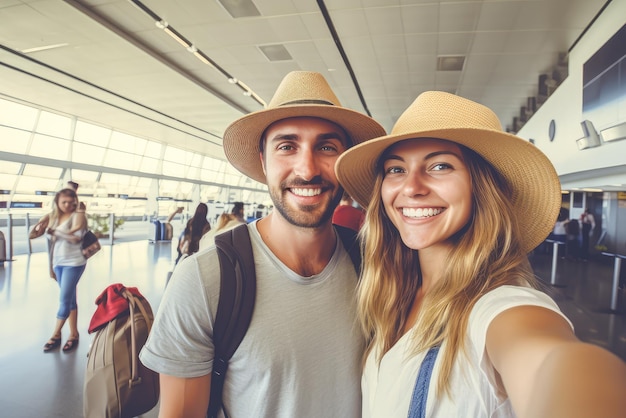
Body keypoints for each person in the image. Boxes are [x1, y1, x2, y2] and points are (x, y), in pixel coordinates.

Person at [335, 91, 626, 418]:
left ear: (480, 188)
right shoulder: (390, 298)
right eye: (395, 169)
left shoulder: (502, 308)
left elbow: (558, 363)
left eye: (440, 165)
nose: (412, 187)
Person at [139, 70, 386, 417]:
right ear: (263, 161)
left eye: (327, 147)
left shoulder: (375, 263)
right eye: (287, 146)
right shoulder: (205, 279)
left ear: (345, 161)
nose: (307, 168)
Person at [42, 188, 88, 353]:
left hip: (74, 263)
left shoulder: (78, 216)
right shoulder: (54, 218)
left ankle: (55, 334)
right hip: (58, 262)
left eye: (71, 202)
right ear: (57, 202)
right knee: (70, 300)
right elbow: (51, 243)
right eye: (64, 202)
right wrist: (51, 267)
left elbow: (77, 238)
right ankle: (74, 334)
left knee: (64, 300)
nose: (68, 205)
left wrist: (59, 234)